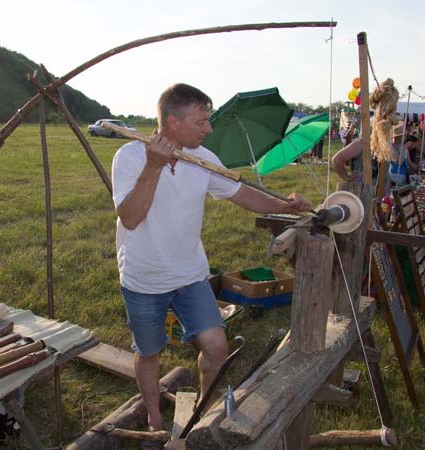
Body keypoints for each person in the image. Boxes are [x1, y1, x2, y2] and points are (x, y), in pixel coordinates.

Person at [111, 83, 311, 437]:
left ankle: (203, 408)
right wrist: (154, 166)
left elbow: (242, 195)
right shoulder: (130, 156)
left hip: (190, 273)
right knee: (149, 352)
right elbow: (130, 217)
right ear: (173, 122)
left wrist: (285, 207)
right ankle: (154, 418)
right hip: (144, 277)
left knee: (217, 347)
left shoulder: (202, 158)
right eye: (201, 121)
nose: (209, 128)